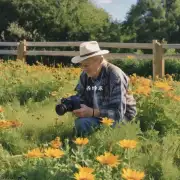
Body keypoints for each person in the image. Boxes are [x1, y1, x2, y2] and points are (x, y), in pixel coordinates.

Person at [71, 41, 137, 137]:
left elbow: (118, 114)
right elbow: (81, 98)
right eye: (81, 65)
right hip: (96, 116)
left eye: (86, 65)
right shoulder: (85, 76)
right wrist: (72, 104)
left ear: (100, 60)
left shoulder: (115, 75)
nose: (83, 69)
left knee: (82, 124)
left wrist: (92, 112)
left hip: (121, 119)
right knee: (80, 123)